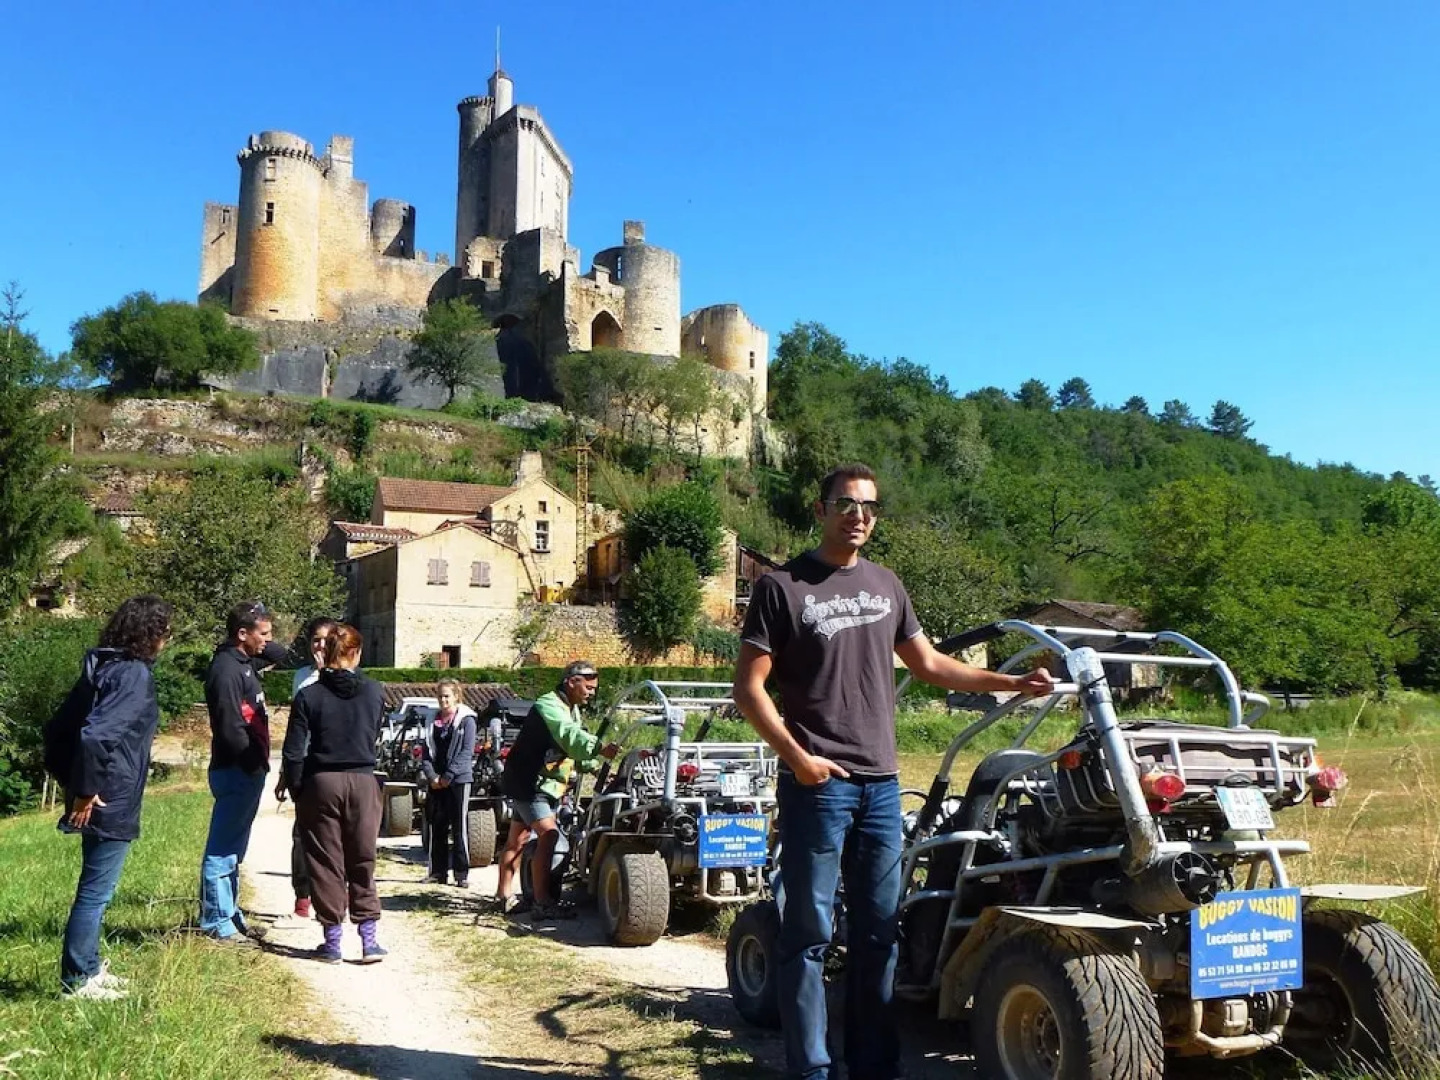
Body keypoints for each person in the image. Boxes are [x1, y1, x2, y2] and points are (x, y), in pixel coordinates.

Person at [733, 463, 1054, 1080]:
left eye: (869, 507)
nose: (859, 515)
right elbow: (749, 690)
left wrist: (1011, 681)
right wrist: (798, 760)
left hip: (880, 786)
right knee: (809, 934)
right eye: (846, 504)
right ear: (822, 508)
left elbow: (930, 665)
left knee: (880, 933)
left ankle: (874, 1067)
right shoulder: (783, 586)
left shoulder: (887, 586)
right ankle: (812, 1069)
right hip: (818, 785)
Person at [56, 595, 174, 1000]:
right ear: (152, 634)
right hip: (110, 794)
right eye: (165, 632)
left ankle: (87, 966)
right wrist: (85, 791)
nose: (167, 640)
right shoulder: (134, 675)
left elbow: (56, 731)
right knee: (95, 891)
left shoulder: (102, 667)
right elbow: (95, 735)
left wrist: (72, 784)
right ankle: (77, 980)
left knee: (95, 887)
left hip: (99, 790)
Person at [282, 623, 388, 963]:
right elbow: (373, 733)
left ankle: (332, 942)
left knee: (326, 863)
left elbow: (293, 751)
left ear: (325, 653)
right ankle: (369, 940)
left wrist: (299, 788)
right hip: (362, 779)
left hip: (322, 781)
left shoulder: (308, 695)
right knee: (362, 858)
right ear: (356, 653)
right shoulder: (374, 691)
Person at [496, 661, 618, 919]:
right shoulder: (549, 704)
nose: (592, 692)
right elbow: (568, 735)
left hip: (542, 782)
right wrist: (598, 747)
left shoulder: (571, 708)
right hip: (529, 781)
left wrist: (595, 767)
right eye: (588, 687)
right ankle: (542, 902)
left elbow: (570, 750)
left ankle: (503, 895)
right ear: (572, 682)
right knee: (549, 836)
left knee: (517, 839)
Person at [198, 600, 279, 942]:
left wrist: (260, 623)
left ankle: (230, 915)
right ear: (241, 634)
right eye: (263, 634)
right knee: (222, 849)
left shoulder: (245, 661)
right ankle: (217, 922)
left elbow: (283, 654)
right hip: (235, 770)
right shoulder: (226, 670)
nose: (268, 641)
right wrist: (250, 765)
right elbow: (230, 727)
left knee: (234, 849)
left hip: (247, 770)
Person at [274, 618, 338, 921]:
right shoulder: (301, 676)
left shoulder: (346, 676)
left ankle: (333, 898)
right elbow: (295, 728)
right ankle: (302, 897)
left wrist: (326, 672)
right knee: (301, 835)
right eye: (316, 640)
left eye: (326, 640)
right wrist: (286, 771)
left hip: (334, 766)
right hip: (305, 764)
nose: (320, 646)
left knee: (334, 837)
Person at [419, 678, 478, 888]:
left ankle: (461, 874)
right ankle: (437, 872)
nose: (443, 700)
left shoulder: (466, 721)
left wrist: (448, 776)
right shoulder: (430, 721)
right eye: (440, 696)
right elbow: (425, 751)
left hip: (458, 780)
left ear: (456, 697)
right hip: (436, 781)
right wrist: (432, 776)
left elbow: (466, 752)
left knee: (459, 827)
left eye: (447, 696)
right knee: (437, 825)